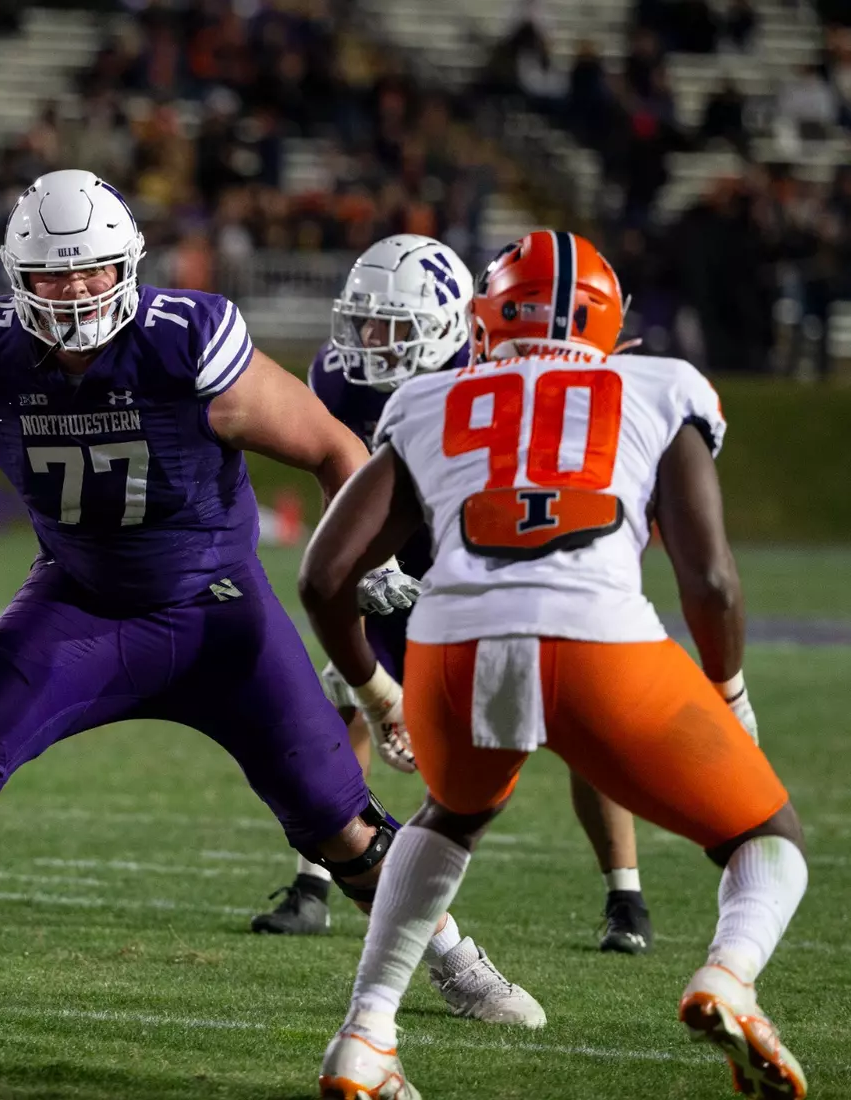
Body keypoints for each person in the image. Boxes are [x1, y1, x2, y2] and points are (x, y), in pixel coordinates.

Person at [0, 171, 544, 1031]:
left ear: (128, 265)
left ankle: (454, 961)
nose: (74, 293)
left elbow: (333, 447)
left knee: (340, 820)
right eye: (54, 276)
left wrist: (362, 560)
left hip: (218, 613)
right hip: (82, 603)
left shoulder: (187, 342)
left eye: (93, 271)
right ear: (16, 278)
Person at [304, 230, 807, 1099]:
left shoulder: (431, 398)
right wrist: (726, 685)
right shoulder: (660, 383)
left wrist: (373, 686)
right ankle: (728, 976)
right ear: (609, 322)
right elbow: (712, 580)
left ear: (486, 318)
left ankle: (366, 1034)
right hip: (599, 641)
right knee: (767, 838)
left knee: (447, 819)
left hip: (454, 647)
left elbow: (322, 576)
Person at [252, 235, 656, 956]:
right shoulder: (341, 378)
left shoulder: (495, 374)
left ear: (447, 327)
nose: (371, 341)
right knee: (343, 693)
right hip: (397, 563)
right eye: (365, 322)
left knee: (581, 724)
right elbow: (337, 482)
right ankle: (315, 878)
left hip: (498, 565)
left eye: (393, 327)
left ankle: (626, 894)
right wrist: (370, 567)